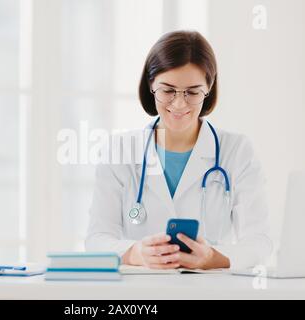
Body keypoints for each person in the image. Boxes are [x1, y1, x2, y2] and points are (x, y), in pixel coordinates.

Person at [85, 30, 272, 270]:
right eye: (168, 90)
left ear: (209, 89)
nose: (179, 103)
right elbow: (97, 238)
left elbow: (260, 241)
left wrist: (214, 258)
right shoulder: (119, 150)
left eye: (193, 92)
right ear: (150, 86)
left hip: (210, 292)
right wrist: (134, 254)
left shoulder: (236, 150)